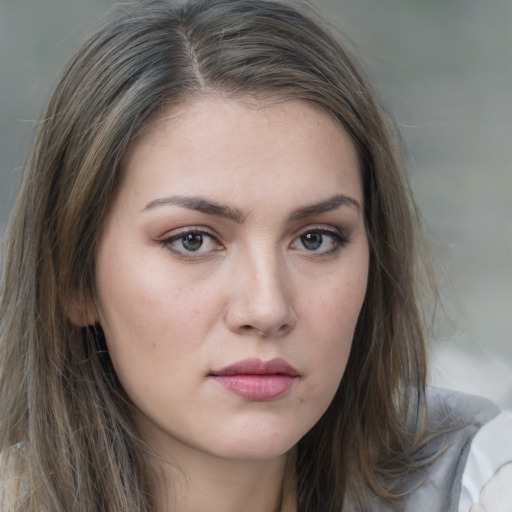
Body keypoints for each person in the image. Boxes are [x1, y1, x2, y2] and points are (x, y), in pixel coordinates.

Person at [0, 1, 510, 511]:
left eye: (316, 239)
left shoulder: (477, 482)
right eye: (192, 240)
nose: (267, 309)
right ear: (71, 277)